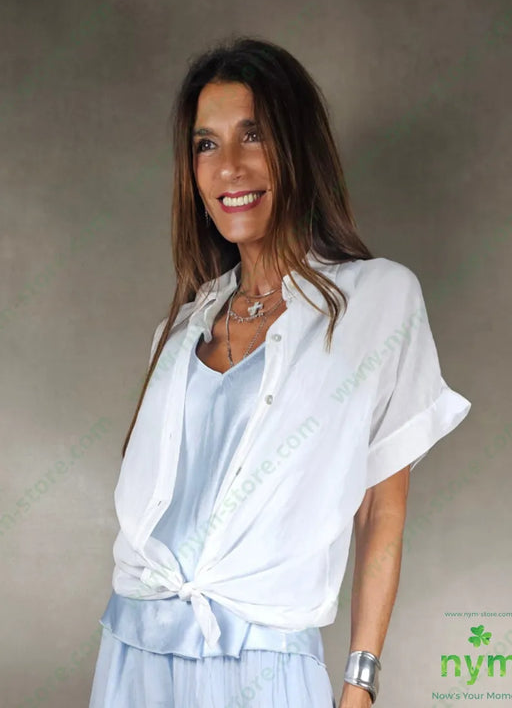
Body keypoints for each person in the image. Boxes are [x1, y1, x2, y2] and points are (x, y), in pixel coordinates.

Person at [88, 36, 472, 708]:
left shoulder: (377, 301)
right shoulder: (179, 331)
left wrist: (359, 683)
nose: (229, 167)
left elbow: (381, 511)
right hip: (135, 648)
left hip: (264, 661)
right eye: (206, 145)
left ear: (296, 148)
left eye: (253, 135)